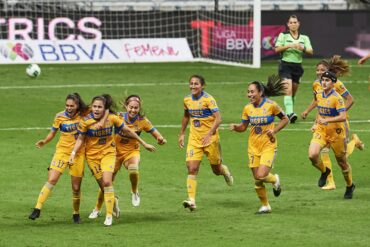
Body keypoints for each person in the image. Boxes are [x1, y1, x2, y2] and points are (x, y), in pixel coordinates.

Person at [69, 95, 155, 226]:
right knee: (103, 186)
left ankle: (109, 216)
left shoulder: (112, 119)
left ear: (105, 109)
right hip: (92, 157)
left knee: (108, 182)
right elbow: (80, 138)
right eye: (95, 107)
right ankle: (113, 202)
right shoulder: (86, 121)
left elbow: (129, 131)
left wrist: (145, 144)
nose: (97, 109)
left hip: (109, 154)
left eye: (100, 107)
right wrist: (73, 153)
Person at [88, 95, 166, 219]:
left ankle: (134, 191)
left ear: (139, 108)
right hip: (114, 152)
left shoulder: (142, 120)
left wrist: (160, 138)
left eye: (136, 108)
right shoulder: (119, 116)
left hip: (132, 151)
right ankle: (97, 208)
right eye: (131, 107)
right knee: (106, 183)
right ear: (126, 106)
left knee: (133, 168)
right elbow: (106, 110)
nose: (133, 110)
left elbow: (154, 131)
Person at [301, 55, 364, 190]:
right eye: (317, 70)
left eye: (322, 70)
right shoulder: (317, 84)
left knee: (342, 158)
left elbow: (350, 100)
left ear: (328, 71)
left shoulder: (337, 85)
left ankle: (355, 142)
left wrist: (338, 112)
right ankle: (330, 181)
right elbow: (319, 102)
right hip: (324, 125)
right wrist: (310, 114)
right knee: (321, 151)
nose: (319, 72)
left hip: (340, 123)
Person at [230, 75, 289, 214]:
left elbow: (285, 119)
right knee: (257, 179)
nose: (249, 94)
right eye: (248, 92)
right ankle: (265, 205)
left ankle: (275, 180)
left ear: (260, 92)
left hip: (268, 145)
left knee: (262, 175)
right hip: (253, 147)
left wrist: (274, 131)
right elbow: (243, 127)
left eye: (252, 92)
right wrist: (236, 127)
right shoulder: (247, 108)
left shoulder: (271, 105)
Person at [28, 93, 89, 223]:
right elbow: (52, 132)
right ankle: (37, 208)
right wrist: (44, 141)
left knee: (76, 187)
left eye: (71, 105)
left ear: (77, 105)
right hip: (62, 152)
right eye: (67, 105)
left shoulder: (84, 114)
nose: (69, 108)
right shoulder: (59, 116)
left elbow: (100, 110)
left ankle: (76, 214)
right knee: (52, 178)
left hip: (78, 154)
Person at [178, 75, 233, 211]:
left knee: (216, 170)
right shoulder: (187, 99)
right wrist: (182, 133)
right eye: (191, 84)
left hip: (211, 140)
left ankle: (224, 171)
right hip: (194, 139)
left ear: (202, 86)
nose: (193, 86)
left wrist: (209, 134)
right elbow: (186, 116)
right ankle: (192, 200)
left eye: (196, 84)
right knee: (192, 168)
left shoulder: (208, 99)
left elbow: (218, 119)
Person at [308, 71, 355, 199]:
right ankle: (325, 171)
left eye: (327, 80)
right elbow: (320, 112)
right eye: (323, 79)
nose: (324, 82)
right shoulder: (318, 95)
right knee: (312, 155)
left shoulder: (337, 98)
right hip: (322, 131)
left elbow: (343, 116)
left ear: (333, 83)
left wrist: (327, 120)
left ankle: (350, 185)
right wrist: (315, 123)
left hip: (337, 133)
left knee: (342, 162)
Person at [275, 14, 313, 123]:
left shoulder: (304, 38)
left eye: (295, 22)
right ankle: (290, 113)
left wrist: (303, 48)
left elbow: (311, 51)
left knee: (293, 93)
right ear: (288, 24)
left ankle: (288, 113)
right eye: (291, 22)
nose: (293, 24)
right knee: (288, 90)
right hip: (285, 65)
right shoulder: (283, 35)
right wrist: (288, 46)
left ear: (298, 24)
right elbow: (277, 49)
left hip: (298, 67)